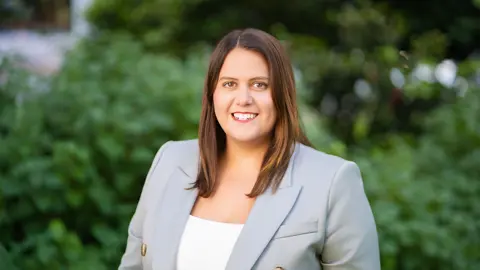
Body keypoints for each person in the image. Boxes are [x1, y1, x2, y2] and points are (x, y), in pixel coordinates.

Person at [118, 28, 380, 270]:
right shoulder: (169, 161)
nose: (243, 99)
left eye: (259, 85)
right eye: (229, 84)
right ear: (212, 94)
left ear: (282, 94)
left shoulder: (333, 182)